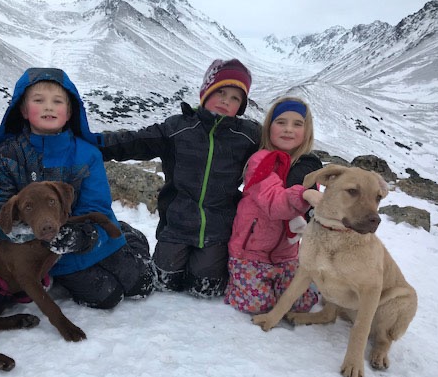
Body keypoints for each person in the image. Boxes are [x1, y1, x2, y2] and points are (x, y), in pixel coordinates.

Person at [98, 59, 319, 299]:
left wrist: (309, 168)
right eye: (221, 92)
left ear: (241, 106)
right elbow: (135, 141)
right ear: (206, 92)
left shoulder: (247, 135)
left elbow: (284, 153)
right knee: (164, 282)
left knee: (206, 287)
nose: (226, 101)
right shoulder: (177, 128)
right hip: (176, 225)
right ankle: (134, 238)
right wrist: (92, 144)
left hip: (218, 229)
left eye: (235, 98)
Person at [0, 68, 155, 310]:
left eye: (57, 101)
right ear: (23, 110)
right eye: (38, 100)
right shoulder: (7, 156)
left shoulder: (87, 154)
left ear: (70, 112)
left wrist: (82, 237)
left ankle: (129, 236)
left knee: (141, 284)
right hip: (47, 255)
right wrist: (5, 227)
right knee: (107, 297)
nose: (48, 107)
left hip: (93, 238)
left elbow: (96, 205)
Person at [224, 96, 322, 315]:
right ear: (269, 127)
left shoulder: (307, 165)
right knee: (256, 305)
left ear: (307, 131)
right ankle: (234, 284)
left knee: (302, 305)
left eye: (297, 124)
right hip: (250, 253)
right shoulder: (261, 160)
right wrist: (305, 194)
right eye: (281, 122)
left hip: (286, 255)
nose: (288, 129)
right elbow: (275, 204)